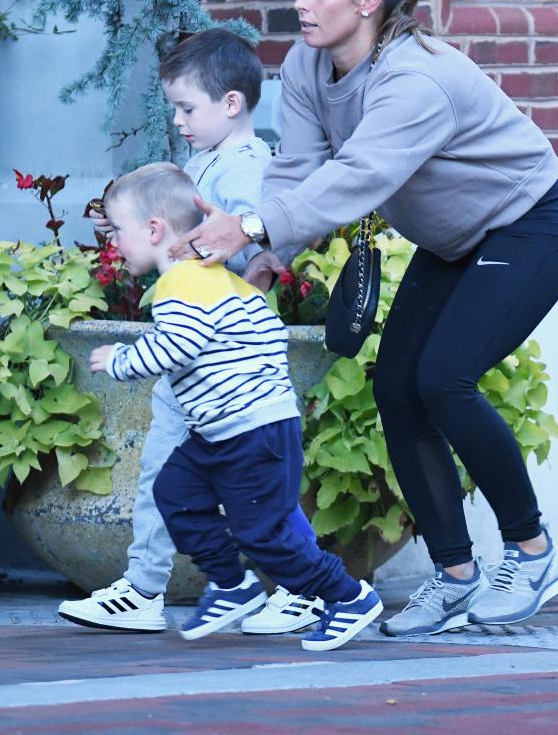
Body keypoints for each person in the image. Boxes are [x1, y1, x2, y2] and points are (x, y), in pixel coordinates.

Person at [171, 0, 558, 638]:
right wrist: (277, 245)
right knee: (396, 383)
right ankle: (455, 577)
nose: (301, 2)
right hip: (452, 238)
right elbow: (299, 169)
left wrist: (253, 226)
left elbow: (360, 176)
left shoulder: (414, 79)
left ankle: (535, 551)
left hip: (529, 223)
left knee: (443, 377)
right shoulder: (306, 65)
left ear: (367, 1)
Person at [59, 29, 320, 636]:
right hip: (196, 357)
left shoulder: (248, 167)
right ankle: (147, 587)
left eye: (187, 108)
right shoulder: (205, 162)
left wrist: (251, 265)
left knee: (236, 481)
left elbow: (265, 246)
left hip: (217, 359)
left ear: (232, 104)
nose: (177, 120)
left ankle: (293, 587)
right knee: (186, 473)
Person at [86, 163, 384, 651]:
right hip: (225, 430)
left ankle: (347, 596)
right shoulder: (221, 280)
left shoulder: (181, 283)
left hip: (252, 432)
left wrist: (120, 359)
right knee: (176, 492)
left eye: (119, 229)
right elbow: (266, 332)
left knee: (263, 534)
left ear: (155, 229)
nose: (113, 242)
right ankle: (231, 585)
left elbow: (176, 345)